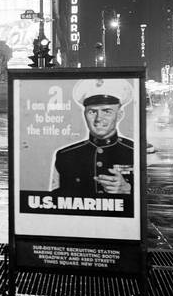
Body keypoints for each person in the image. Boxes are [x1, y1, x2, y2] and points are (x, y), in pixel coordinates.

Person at [50, 79, 134, 212]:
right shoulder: (65, 156)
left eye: (107, 111)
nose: (99, 118)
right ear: (85, 115)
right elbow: (53, 202)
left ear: (120, 115)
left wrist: (129, 190)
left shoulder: (137, 152)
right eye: (92, 112)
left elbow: (156, 195)